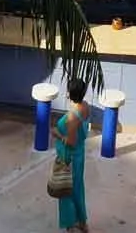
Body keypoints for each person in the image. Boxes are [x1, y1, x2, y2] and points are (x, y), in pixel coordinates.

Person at [53, 76, 91, 232]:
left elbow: (70, 141)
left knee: (66, 190)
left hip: (70, 157)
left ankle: (70, 225)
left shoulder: (71, 117)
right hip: (79, 154)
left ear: (69, 94)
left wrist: (57, 134)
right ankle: (82, 222)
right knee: (77, 187)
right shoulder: (85, 106)